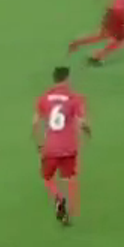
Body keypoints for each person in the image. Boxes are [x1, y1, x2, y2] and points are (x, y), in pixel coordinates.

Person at [32, 66, 89, 225]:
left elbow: (35, 123)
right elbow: (82, 122)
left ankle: (58, 197)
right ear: (67, 79)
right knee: (70, 178)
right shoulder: (74, 98)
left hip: (51, 147)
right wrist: (88, 131)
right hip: (69, 147)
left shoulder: (43, 98)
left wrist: (39, 143)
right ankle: (72, 211)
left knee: (47, 177)